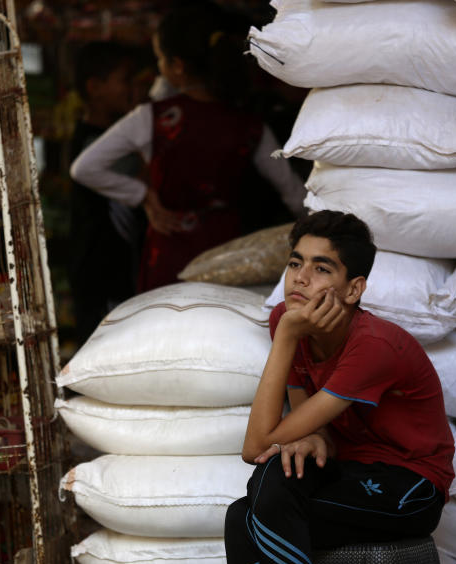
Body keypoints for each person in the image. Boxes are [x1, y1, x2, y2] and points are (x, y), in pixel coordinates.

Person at [225, 211, 455, 564]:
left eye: (321, 268)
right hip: (350, 472)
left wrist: (289, 336)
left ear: (354, 289)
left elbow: (255, 443)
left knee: (266, 490)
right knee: (244, 512)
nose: (301, 278)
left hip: (411, 487)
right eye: (295, 263)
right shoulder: (288, 322)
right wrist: (311, 432)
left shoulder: (372, 345)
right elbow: (304, 424)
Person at [70, 2, 306, 293]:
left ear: (177, 67)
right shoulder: (249, 125)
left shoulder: (154, 118)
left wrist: (142, 195)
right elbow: (294, 193)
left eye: (160, 60)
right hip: (231, 256)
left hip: (171, 254)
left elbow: (84, 168)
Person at [67, 41, 140, 346]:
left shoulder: (108, 137)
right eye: (125, 80)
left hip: (113, 271)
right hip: (102, 273)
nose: (132, 89)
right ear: (95, 87)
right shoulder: (93, 146)